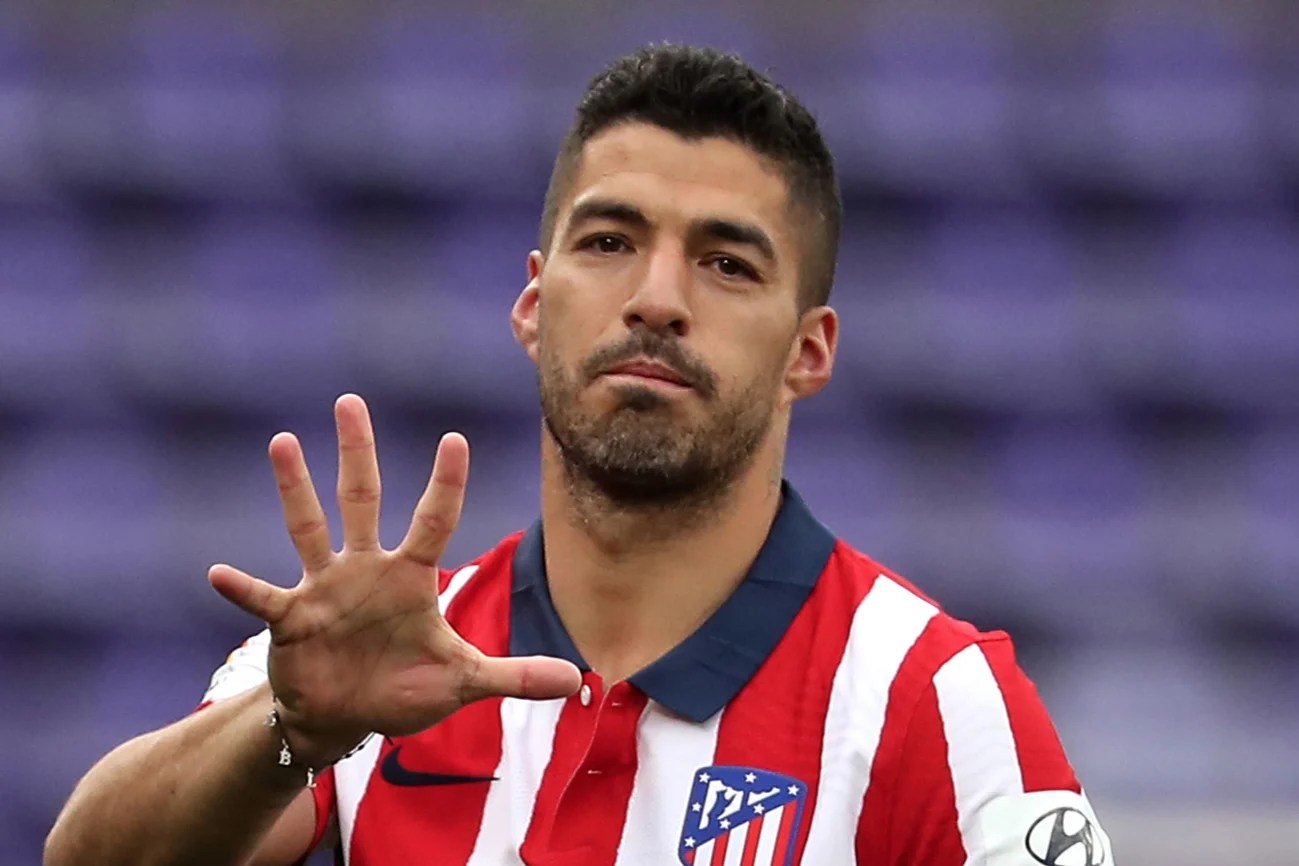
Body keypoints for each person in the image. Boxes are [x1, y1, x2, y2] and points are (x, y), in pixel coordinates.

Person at [45, 44, 1113, 866]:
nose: (656, 298)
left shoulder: (927, 696)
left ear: (808, 351)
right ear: (531, 304)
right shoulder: (378, 652)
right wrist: (294, 729)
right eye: (608, 242)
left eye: (726, 263)